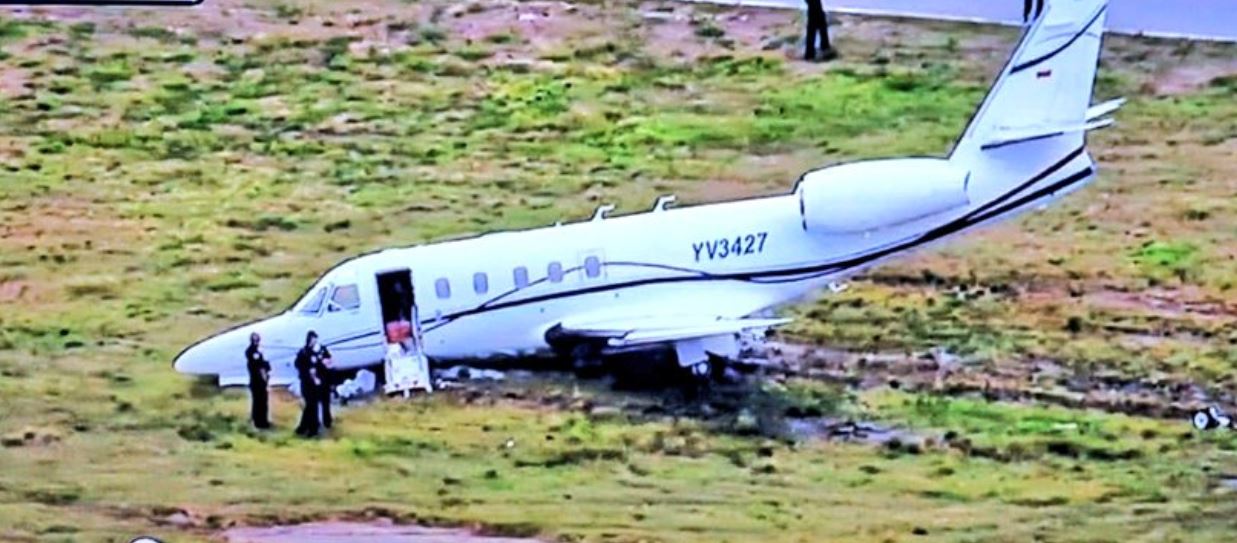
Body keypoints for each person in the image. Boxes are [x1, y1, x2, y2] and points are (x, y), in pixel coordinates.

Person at [294, 331, 322, 437]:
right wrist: (308, 374)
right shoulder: (304, 352)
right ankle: (311, 428)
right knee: (311, 405)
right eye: (314, 339)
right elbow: (299, 365)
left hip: (313, 383)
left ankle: (304, 427)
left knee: (312, 406)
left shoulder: (314, 353)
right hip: (307, 383)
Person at [245, 333, 271, 430]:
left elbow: (264, 364)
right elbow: (257, 365)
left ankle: (263, 420)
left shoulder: (259, 351)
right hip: (256, 380)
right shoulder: (251, 351)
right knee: (257, 401)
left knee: (263, 401)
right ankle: (258, 421)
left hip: (262, 381)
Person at [314, 343, 334, 431]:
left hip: (324, 383)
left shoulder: (324, 353)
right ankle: (319, 421)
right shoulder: (311, 355)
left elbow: (330, 366)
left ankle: (327, 421)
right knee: (318, 404)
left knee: (325, 404)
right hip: (318, 383)